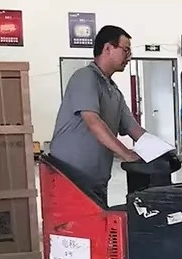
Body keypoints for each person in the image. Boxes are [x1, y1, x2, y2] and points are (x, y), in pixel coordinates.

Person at [49, 25, 144, 202]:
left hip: (96, 181)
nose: (129, 57)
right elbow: (93, 122)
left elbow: (134, 128)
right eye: (125, 50)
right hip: (69, 179)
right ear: (107, 48)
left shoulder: (114, 91)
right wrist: (126, 154)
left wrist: (161, 150)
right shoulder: (85, 77)